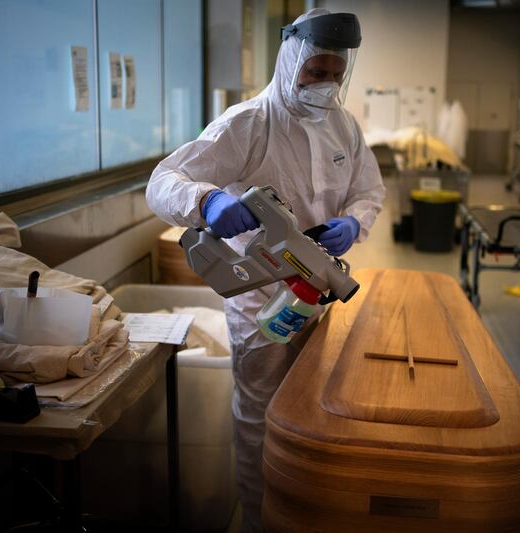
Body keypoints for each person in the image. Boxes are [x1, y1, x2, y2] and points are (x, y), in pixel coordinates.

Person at [146, 8, 385, 531]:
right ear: (290, 59)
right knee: (259, 419)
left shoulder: (343, 125)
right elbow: (163, 180)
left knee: (313, 411)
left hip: (316, 293)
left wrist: (352, 221)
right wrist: (207, 201)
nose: (324, 85)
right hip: (259, 301)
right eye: (315, 72)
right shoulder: (249, 123)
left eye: (334, 74)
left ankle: (304, 512)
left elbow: (370, 191)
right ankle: (260, 521)